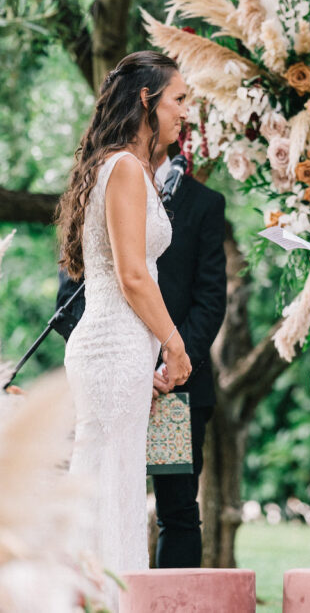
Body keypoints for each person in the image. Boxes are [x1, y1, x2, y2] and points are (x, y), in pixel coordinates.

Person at [55, 51, 193, 594]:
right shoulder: (126, 169)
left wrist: (153, 350)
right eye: (179, 99)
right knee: (108, 487)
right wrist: (175, 346)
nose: (185, 112)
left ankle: (98, 597)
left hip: (121, 349)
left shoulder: (122, 167)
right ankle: (99, 599)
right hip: (112, 349)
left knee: (112, 485)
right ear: (147, 99)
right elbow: (134, 275)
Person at [56, 152, 228, 569]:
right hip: (112, 372)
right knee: (100, 495)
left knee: (179, 514)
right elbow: (70, 296)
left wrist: (168, 363)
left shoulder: (204, 204)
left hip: (177, 391)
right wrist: (126, 360)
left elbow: (210, 299)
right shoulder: (96, 185)